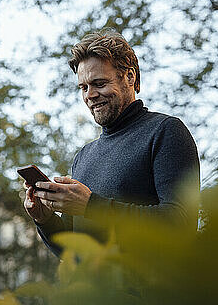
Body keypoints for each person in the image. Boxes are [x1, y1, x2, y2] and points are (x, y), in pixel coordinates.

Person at [23, 28, 200, 257]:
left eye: (99, 83)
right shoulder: (83, 157)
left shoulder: (166, 132)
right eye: (83, 87)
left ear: (129, 77)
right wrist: (44, 220)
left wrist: (90, 206)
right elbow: (74, 251)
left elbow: (180, 225)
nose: (90, 95)